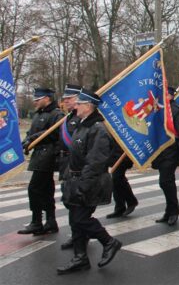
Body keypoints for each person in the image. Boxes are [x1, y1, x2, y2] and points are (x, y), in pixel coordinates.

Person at [57, 89, 121, 275]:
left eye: (79, 103)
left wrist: (83, 185)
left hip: (89, 182)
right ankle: (80, 258)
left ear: (88, 106)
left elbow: (95, 162)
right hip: (75, 179)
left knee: (81, 219)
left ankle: (109, 242)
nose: (74, 106)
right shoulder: (82, 125)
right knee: (74, 220)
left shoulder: (98, 129)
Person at [18, 87, 64, 236]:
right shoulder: (38, 114)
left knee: (34, 188)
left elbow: (55, 132)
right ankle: (51, 221)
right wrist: (26, 140)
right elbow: (31, 133)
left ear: (47, 98)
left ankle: (36, 221)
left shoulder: (57, 114)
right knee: (46, 190)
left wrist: (33, 138)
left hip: (49, 155)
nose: (35, 102)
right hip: (39, 155)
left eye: (38, 99)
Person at [151, 86, 179, 226]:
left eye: (165, 95)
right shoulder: (158, 110)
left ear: (170, 96)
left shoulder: (177, 111)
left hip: (172, 151)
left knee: (165, 181)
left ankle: (174, 211)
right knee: (165, 182)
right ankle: (169, 211)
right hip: (160, 151)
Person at [57, 84, 82, 250]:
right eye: (65, 99)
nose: (65, 101)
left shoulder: (80, 118)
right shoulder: (68, 117)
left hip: (75, 164)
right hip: (65, 163)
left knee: (75, 203)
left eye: (69, 99)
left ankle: (80, 236)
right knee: (68, 201)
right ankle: (77, 235)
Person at [106, 148, 138, 219]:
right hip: (114, 155)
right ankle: (120, 208)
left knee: (117, 178)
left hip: (123, 155)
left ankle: (131, 201)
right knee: (115, 181)